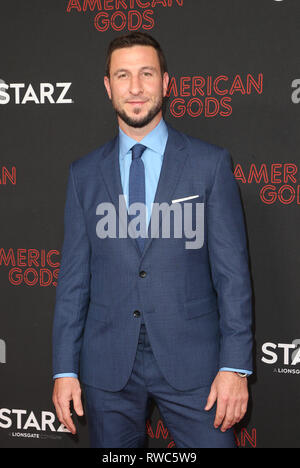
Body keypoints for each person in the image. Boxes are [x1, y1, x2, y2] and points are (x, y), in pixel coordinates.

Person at [52, 31, 253, 448]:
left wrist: (235, 366)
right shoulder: (83, 174)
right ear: (108, 87)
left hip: (194, 365)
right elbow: (73, 280)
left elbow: (233, 276)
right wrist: (64, 370)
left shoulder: (209, 165)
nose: (136, 87)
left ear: (166, 82)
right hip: (107, 368)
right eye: (123, 76)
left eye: (147, 73)